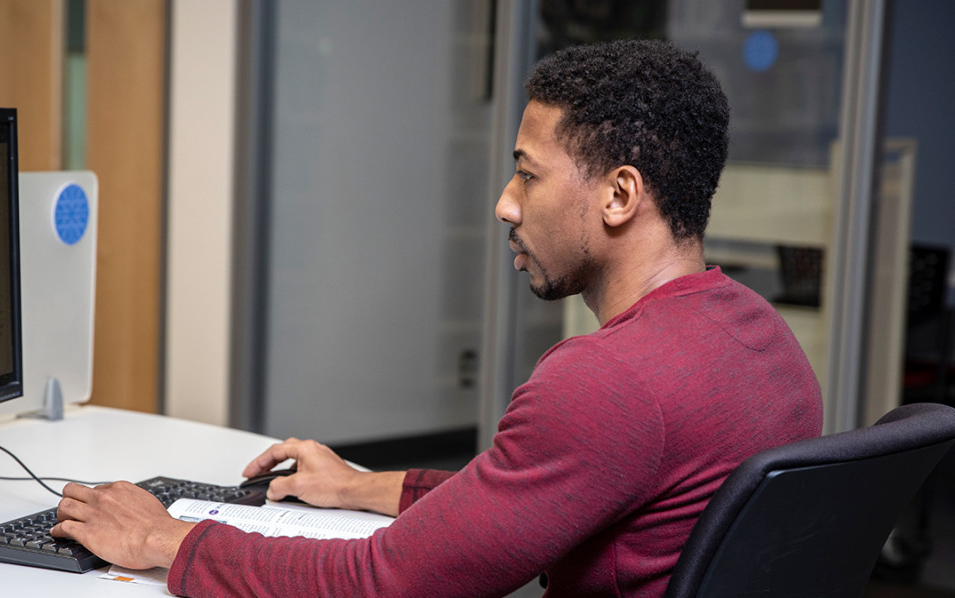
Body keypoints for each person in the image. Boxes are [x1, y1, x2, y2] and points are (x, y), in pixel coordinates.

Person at [50, 39, 823, 597]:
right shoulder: (759, 337)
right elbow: (538, 492)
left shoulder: (608, 382)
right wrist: (358, 487)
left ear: (620, 195)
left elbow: (385, 583)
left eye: (528, 174)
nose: (505, 204)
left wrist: (164, 539)